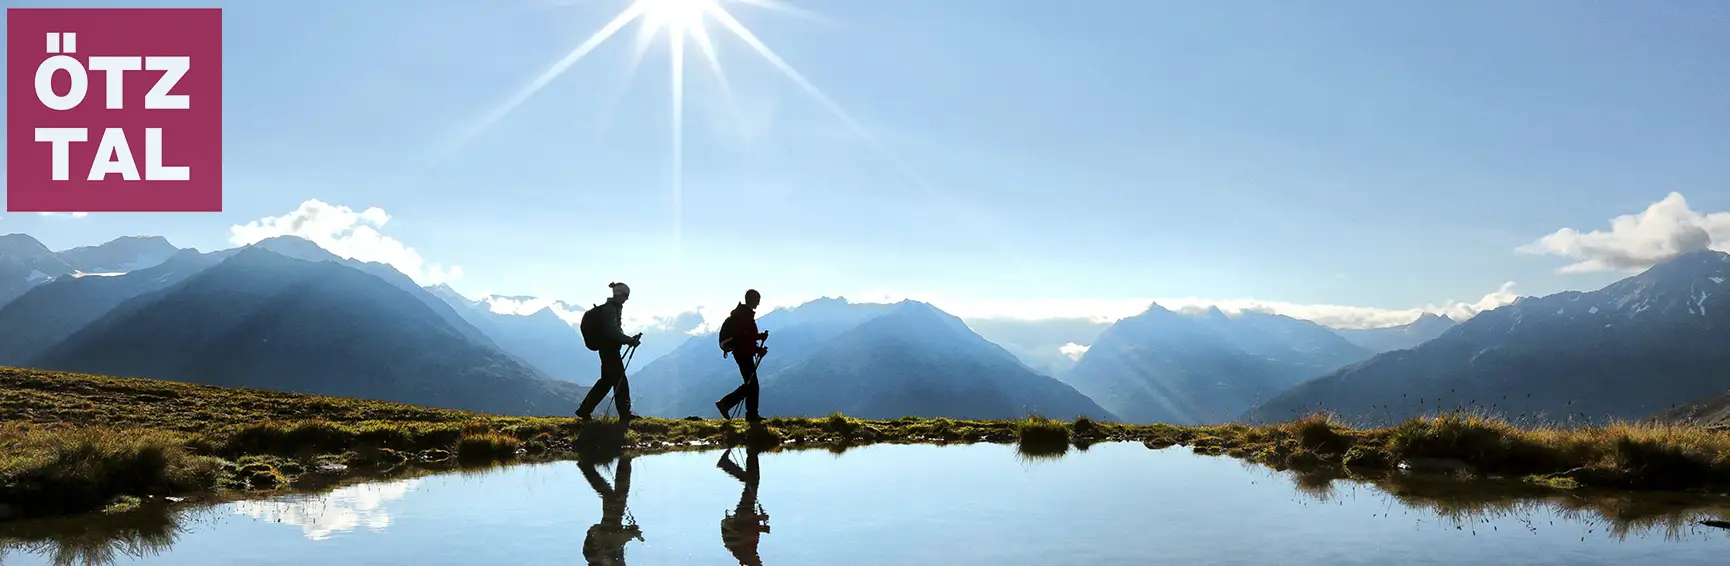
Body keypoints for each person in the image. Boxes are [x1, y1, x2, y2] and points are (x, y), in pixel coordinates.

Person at [577, 282, 643, 422]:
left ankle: (584, 410)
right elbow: (612, 330)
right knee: (620, 382)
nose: (627, 299)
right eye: (626, 295)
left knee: (606, 382)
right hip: (609, 350)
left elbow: (614, 330)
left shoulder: (612, 308)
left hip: (607, 349)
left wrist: (628, 339)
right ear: (620, 294)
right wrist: (629, 341)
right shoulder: (611, 309)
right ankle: (625, 414)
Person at [716, 289, 768, 422]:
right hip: (743, 354)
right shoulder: (745, 315)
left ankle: (746, 412)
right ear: (752, 300)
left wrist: (759, 337)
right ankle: (730, 405)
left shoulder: (742, 314)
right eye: (757, 300)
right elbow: (745, 338)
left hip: (742, 353)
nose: (759, 303)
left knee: (751, 383)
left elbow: (746, 336)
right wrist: (758, 350)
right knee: (752, 384)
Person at [580, 454, 643, 565]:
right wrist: (630, 534)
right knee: (618, 496)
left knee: (613, 496)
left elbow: (613, 543)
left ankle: (587, 468)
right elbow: (615, 543)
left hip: (605, 531)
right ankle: (624, 460)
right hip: (608, 529)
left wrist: (632, 534)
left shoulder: (598, 558)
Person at [717, 447, 768, 566]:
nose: (760, 562)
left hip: (742, 514)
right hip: (744, 514)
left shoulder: (745, 553)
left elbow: (743, 526)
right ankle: (750, 452)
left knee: (752, 481)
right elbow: (748, 530)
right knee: (753, 481)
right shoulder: (748, 553)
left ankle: (747, 454)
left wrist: (759, 521)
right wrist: (760, 524)